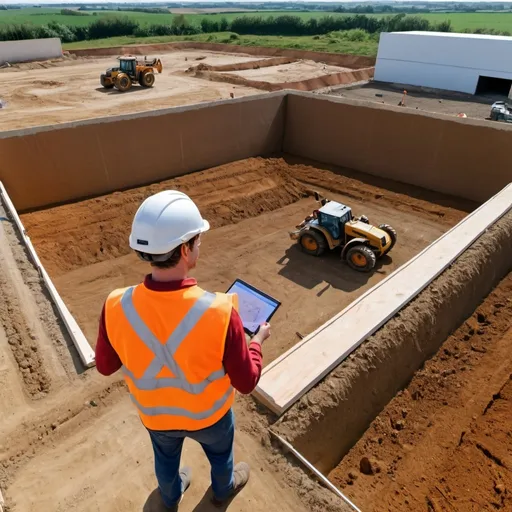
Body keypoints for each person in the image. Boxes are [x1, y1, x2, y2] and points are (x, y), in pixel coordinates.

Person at [95, 190, 271, 511]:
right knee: (221, 456)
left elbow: (106, 366)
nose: (199, 247)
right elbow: (246, 382)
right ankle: (222, 490)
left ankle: (171, 496)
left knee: (165, 459)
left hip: (156, 416)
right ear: (185, 248)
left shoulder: (115, 304)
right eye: (198, 241)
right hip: (211, 417)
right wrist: (256, 343)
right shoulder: (220, 311)